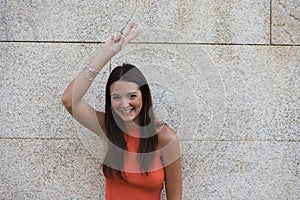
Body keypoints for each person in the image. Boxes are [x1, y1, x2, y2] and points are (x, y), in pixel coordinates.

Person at [62, 22, 182, 200]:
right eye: (117, 97)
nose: (125, 104)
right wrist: (106, 54)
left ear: (144, 96)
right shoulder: (107, 128)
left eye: (132, 95)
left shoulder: (165, 138)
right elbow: (69, 100)